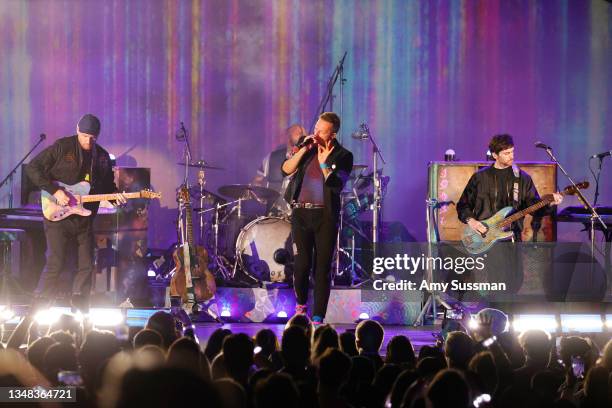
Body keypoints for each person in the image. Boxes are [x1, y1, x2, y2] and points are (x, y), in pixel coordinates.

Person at [26, 114, 125, 307]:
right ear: (77, 131)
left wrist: (116, 197)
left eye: (92, 137)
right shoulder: (62, 147)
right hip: (58, 213)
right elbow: (33, 168)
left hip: (85, 218)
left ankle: (80, 304)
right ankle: (40, 302)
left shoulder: (102, 157)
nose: (88, 140)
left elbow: (106, 186)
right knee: (56, 261)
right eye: (85, 135)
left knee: (87, 264)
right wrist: (55, 190)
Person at [455, 134, 562, 294]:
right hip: (485, 239)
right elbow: (463, 205)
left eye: (512, 152)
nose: (511, 156)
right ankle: (491, 316)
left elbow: (534, 207)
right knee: (491, 284)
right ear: (494, 155)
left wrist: (550, 203)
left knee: (513, 282)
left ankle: (507, 316)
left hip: (512, 238)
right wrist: (472, 221)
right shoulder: (479, 178)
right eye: (506, 153)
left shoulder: (522, 179)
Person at [281, 112, 353, 324]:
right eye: (316, 128)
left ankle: (318, 317)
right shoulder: (306, 146)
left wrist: (323, 163)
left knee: (321, 269)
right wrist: (304, 149)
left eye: (321, 130)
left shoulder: (343, 156)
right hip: (301, 213)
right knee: (301, 265)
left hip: (325, 217)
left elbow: (337, 185)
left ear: (332, 134)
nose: (315, 132)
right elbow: (286, 170)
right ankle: (301, 306)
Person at [253, 123, 306, 214]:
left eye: (304, 132)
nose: (303, 135)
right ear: (288, 136)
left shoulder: (308, 158)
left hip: (299, 215)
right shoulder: (271, 158)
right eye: (299, 132)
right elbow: (257, 181)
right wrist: (259, 195)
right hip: (274, 215)